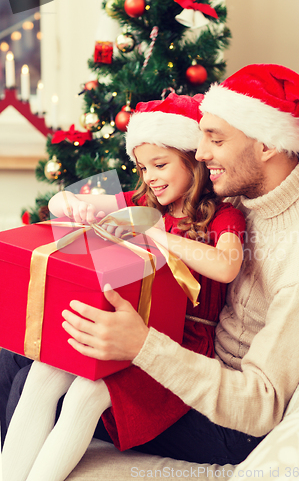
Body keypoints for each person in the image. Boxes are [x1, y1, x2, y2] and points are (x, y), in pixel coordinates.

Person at [1, 93, 247, 481]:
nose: (149, 176)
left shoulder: (222, 214)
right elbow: (61, 202)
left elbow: (227, 267)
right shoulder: (139, 203)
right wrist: (73, 206)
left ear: (191, 158)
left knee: (86, 393)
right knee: (45, 372)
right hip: (124, 330)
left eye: (160, 164)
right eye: (142, 166)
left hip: (177, 347)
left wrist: (158, 236)